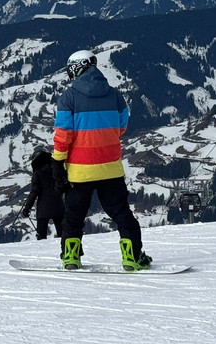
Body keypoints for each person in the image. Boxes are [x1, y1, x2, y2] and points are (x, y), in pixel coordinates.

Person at [51, 49, 151, 271]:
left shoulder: (68, 98)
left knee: (73, 217)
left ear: (76, 68)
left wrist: (57, 163)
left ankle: (70, 258)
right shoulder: (115, 95)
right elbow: (122, 126)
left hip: (79, 170)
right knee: (122, 214)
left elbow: (63, 135)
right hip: (111, 169)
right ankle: (132, 258)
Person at [20, 148, 65, 240]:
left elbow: (34, 192)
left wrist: (27, 208)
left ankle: (42, 252)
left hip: (43, 209)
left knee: (41, 236)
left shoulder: (37, 173)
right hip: (59, 205)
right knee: (63, 234)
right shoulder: (55, 168)